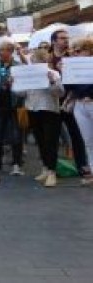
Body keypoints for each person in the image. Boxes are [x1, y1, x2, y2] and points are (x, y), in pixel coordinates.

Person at [15, 48, 63, 187]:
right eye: (34, 60)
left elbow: (60, 92)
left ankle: (52, 172)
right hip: (32, 109)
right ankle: (45, 168)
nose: (35, 63)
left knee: (50, 142)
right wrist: (15, 84)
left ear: (45, 61)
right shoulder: (29, 75)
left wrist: (51, 82)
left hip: (49, 110)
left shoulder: (53, 73)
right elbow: (21, 94)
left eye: (39, 60)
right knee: (40, 141)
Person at [51, 30, 89, 177]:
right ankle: (51, 168)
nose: (66, 41)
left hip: (71, 101)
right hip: (53, 103)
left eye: (67, 38)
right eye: (62, 38)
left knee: (77, 135)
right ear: (54, 41)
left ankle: (82, 165)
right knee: (53, 137)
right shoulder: (47, 58)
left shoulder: (73, 56)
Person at [0, 41, 24, 176]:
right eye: (0, 50)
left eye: (4, 50)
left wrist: (14, 84)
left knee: (16, 137)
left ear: (10, 51)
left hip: (14, 106)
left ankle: (17, 164)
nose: (1, 53)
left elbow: (24, 87)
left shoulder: (18, 67)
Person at [67, 38, 93, 186]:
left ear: (89, 50)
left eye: (78, 50)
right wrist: (65, 71)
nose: (75, 54)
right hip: (79, 104)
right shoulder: (74, 65)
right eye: (74, 51)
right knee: (88, 141)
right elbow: (69, 88)